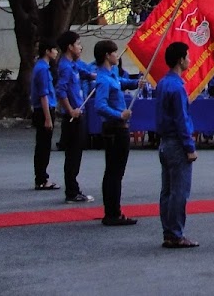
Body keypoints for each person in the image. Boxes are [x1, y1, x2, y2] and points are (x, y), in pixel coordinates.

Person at [155, 42, 199, 248]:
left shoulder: (163, 83)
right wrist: (189, 147)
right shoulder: (177, 87)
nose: (189, 60)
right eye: (187, 57)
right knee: (179, 191)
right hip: (176, 143)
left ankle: (168, 231)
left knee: (167, 190)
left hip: (165, 142)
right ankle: (175, 233)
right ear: (181, 60)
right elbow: (181, 119)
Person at [93, 39, 137, 226]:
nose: (117, 56)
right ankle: (112, 212)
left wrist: (137, 82)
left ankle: (113, 210)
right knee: (114, 171)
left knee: (115, 171)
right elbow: (100, 105)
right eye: (114, 53)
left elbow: (122, 83)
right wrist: (120, 114)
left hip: (117, 128)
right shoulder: (103, 79)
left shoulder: (111, 75)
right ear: (106, 56)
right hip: (115, 128)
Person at [55, 31, 94, 202]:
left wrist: (93, 75)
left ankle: (74, 188)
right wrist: (70, 110)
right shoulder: (64, 67)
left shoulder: (72, 65)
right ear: (70, 47)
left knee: (76, 154)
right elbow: (60, 90)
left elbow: (84, 71)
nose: (80, 47)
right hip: (73, 117)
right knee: (73, 154)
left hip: (79, 113)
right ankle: (72, 191)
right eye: (78, 44)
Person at [30, 39, 59, 191]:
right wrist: (48, 118)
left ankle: (42, 177)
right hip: (43, 111)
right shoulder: (42, 69)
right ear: (47, 51)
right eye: (54, 49)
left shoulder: (43, 67)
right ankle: (41, 179)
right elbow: (43, 95)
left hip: (44, 109)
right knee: (43, 146)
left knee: (43, 145)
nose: (56, 52)